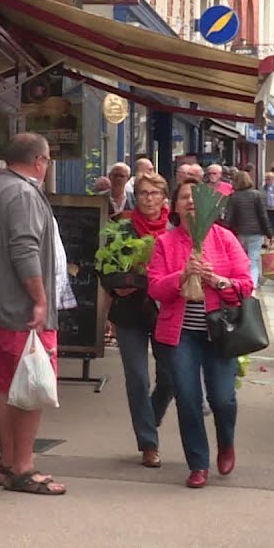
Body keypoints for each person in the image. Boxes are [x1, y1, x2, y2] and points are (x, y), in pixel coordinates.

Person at [0, 132, 67, 495]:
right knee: (32, 384)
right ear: (40, 161)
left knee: (9, 385)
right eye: (48, 160)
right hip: (20, 309)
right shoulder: (25, 194)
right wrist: (40, 300)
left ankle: (8, 464)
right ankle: (24, 467)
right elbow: (24, 248)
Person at [147, 179, 255, 488]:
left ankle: (226, 441)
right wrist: (182, 276)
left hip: (219, 332)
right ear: (175, 206)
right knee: (188, 398)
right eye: (184, 197)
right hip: (180, 335)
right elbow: (155, 287)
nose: (191, 202)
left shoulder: (224, 239)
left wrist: (219, 281)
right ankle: (198, 463)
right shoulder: (165, 243)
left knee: (222, 398)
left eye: (197, 198)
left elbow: (245, 285)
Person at [106, 172, 175, 468]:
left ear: (164, 198)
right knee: (137, 377)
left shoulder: (175, 230)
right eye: (144, 193)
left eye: (154, 193)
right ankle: (148, 443)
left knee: (171, 377)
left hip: (167, 312)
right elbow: (107, 270)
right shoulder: (121, 227)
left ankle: (152, 413)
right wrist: (120, 283)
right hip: (129, 311)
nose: (149, 198)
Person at [223, 171, 274, 285]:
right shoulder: (257, 195)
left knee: (241, 260)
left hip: (240, 233)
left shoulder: (233, 197)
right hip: (256, 233)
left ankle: (243, 283)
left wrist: (224, 233)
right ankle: (252, 286)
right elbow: (263, 216)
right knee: (253, 260)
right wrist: (269, 234)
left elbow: (228, 217)